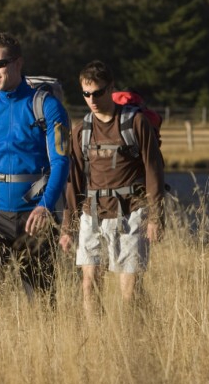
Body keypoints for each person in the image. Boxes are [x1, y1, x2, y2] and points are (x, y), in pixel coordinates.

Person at [0, 32, 70, 330]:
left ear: (18, 63)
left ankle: (44, 360)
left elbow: (61, 161)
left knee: (42, 303)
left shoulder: (47, 107)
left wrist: (46, 207)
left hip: (34, 216)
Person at [59, 60, 165, 318]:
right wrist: (68, 227)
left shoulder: (136, 123)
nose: (92, 99)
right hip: (91, 215)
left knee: (129, 289)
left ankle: (138, 337)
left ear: (111, 88)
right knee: (89, 283)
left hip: (131, 214)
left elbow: (153, 171)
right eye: (86, 94)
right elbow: (73, 180)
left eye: (98, 92)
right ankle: (98, 343)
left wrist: (155, 217)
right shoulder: (81, 130)